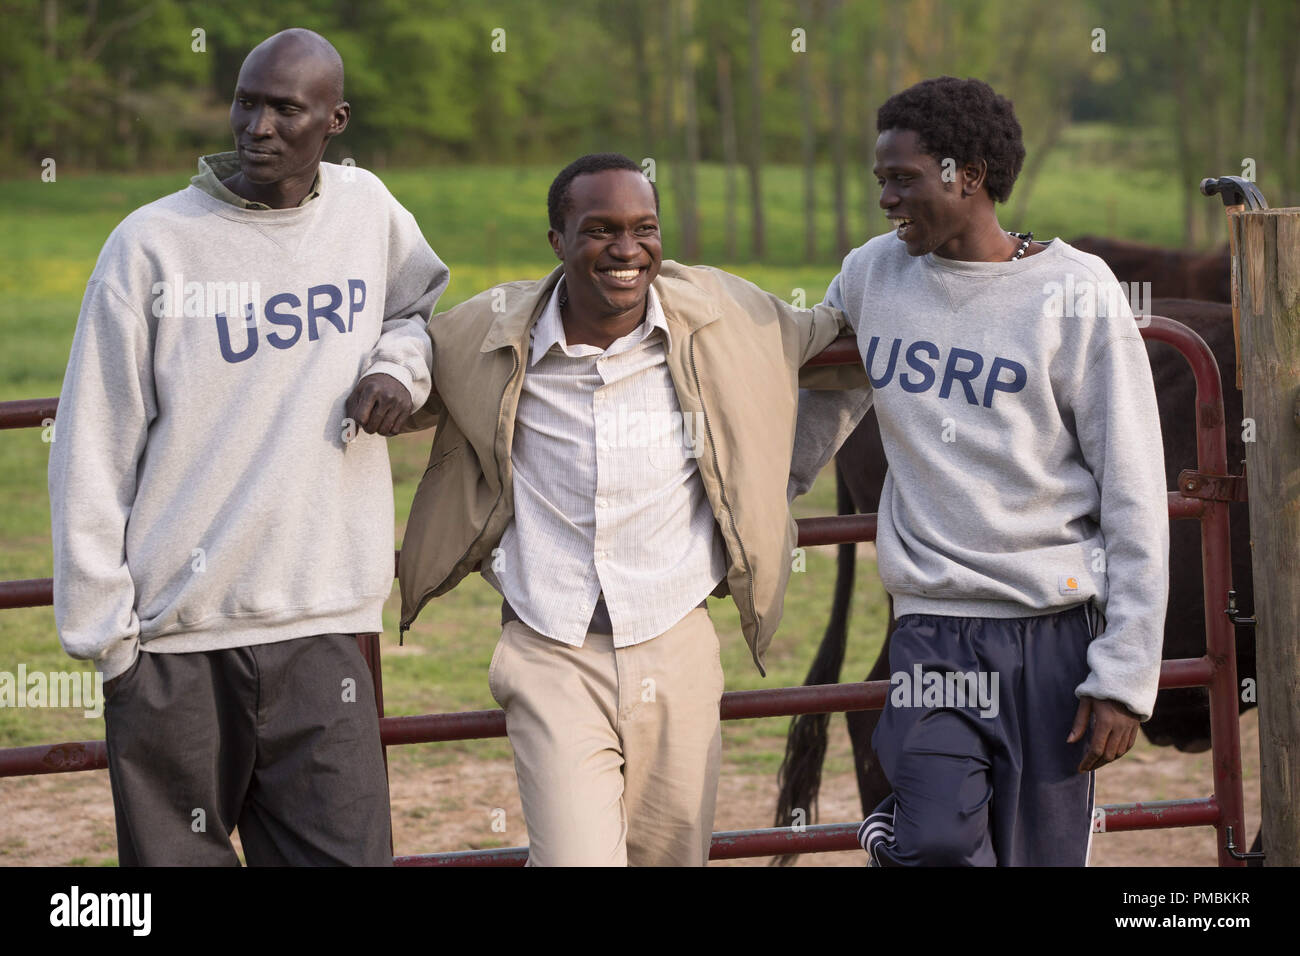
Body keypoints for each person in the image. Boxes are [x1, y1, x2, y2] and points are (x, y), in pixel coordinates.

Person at [47, 28, 448, 866]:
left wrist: (397, 372)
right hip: (173, 648)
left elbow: (418, 312)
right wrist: (109, 642)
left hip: (328, 626)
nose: (257, 126)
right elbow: (92, 441)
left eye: (285, 109)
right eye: (246, 101)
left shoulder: (367, 210)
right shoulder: (150, 244)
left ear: (333, 120)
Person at [396, 152, 864, 866]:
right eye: (599, 230)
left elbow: (842, 330)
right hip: (549, 645)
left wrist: (774, 487)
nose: (626, 250)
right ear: (557, 240)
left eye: (644, 228)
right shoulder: (485, 335)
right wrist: (385, 369)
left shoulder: (726, 318)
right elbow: (408, 351)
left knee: (671, 858)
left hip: (675, 641)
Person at [799, 76, 1169, 866]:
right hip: (932, 629)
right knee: (933, 841)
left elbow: (1134, 492)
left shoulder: (1074, 292)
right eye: (881, 181)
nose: (887, 199)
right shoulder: (873, 275)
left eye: (902, 179)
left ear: (965, 174)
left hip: (1053, 635)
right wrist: (749, 503)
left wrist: (1126, 676)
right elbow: (819, 411)